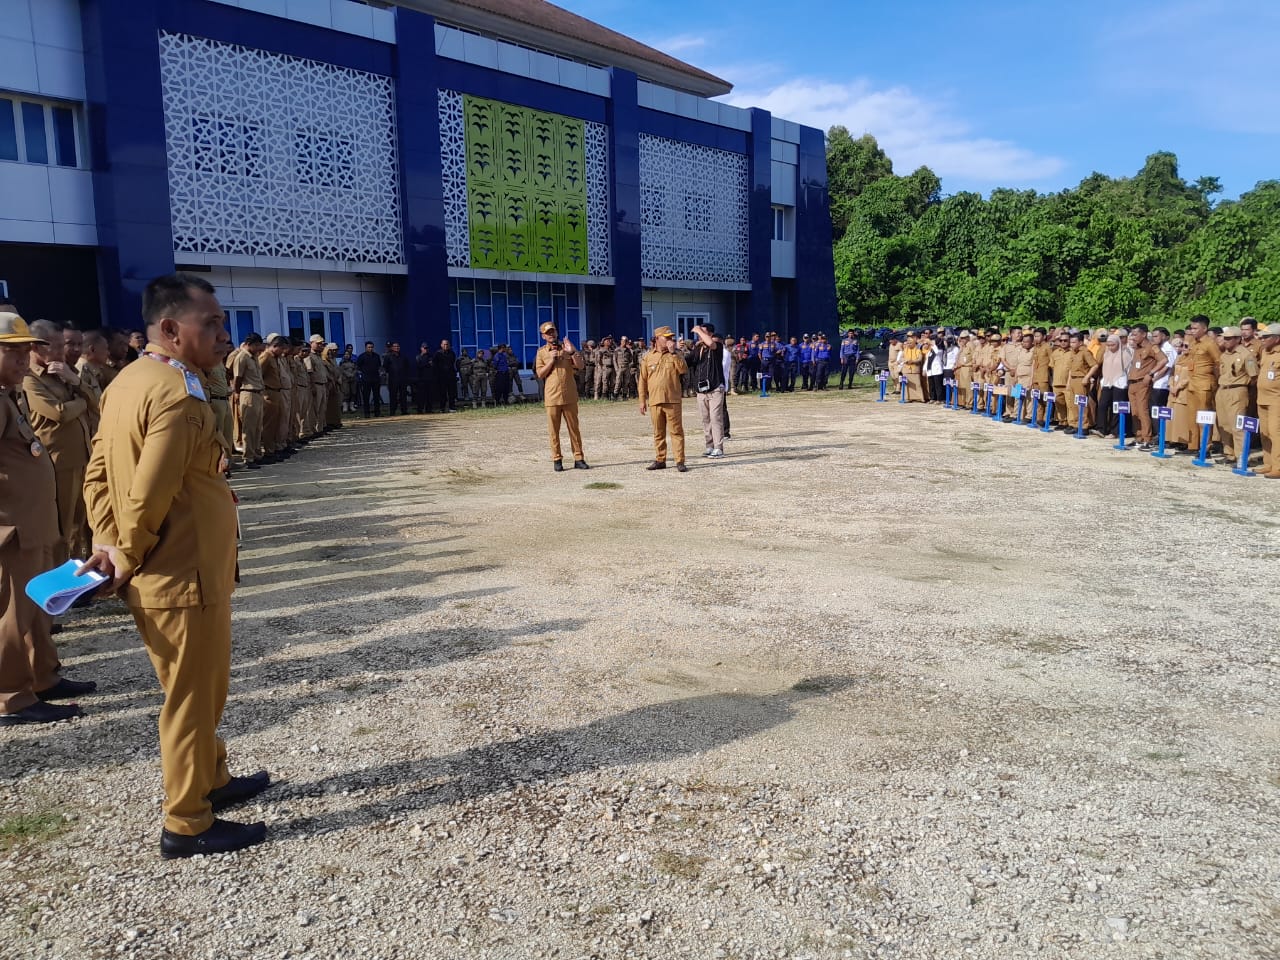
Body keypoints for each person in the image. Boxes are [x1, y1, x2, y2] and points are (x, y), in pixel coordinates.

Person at [80, 273, 270, 858]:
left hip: (169, 569)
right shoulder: (177, 394)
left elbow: (96, 473)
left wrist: (107, 540)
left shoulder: (128, 380)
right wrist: (126, 554)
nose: (222, 333)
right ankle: (187, 821)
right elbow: (151, 490)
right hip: (183, 571)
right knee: (193, 698)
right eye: (209, 323)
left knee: (194, 687)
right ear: (170, 328)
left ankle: (211, 777)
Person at [1, 312, 97, 726]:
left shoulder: (10, 396)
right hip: (12, 531)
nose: (22, 359)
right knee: (13, 614)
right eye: (11, 352)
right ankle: (10, 696)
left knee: (38, 610)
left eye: (25, 350)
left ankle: (43, 677)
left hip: (34, 525)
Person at [25, 320, 93, 566]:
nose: (60, 352)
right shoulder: (31, 379)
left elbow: (97, 402)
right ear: (35, 347)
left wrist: (75, 382)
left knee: (81, 522)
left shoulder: (63, 372)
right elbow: (59, 413)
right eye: (54, 346)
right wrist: (82, 403)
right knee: (62, 526)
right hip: (58, 462)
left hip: (82, 456)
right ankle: (61, 573)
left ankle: (79, 568)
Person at [533, 321, 588, 471]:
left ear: (557, 332)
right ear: (543, 336)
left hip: (569, 395)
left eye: (553, 331)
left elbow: (580, 366)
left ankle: (579, 458)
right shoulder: (541, 352)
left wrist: (572, 352)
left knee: (574, 429)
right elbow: (540, 374)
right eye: (548, 333)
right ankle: (557, 459)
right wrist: (551, 360)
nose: (551, 334)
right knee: (553, 430)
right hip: (552, 396)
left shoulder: (567, 348)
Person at [637, 325, 687, 471]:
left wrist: (673, 353)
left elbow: (683, 369)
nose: (670, 340)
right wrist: (642, 400)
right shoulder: (648, 357)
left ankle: (679, 461)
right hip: (655, 400)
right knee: (658, 432)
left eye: (671, 337)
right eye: (667, 338)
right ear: (657, 339)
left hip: (672, 400)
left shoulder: (676, 354)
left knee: (676, 431)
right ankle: (660, 459)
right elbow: (642, 380)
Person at [1216, 326, 1259, 466]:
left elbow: (1254, 376)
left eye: (1229, 338)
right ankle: (1229, 454)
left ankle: (1241, 456)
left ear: (1237, 339)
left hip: (1237, 390)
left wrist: (1243, 389)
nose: (1225, 341)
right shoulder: (1224, 355)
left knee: (1237, 425)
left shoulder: (1246, 355)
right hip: (1222, 389)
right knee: (1224, 424)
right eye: (1224, 338)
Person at [687, 323, 726, 458]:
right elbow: (687, 361)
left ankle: (718, 447)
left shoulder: (717, 346)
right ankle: (709, 446)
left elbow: (711, 343)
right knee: (705, 419)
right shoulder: (698, 348)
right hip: (701, 390)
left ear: (710, 334)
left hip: (715, 388)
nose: (699, 335)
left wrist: (698, 330)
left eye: (703, 332)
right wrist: (678, 350)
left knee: (715, 417)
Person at [230, 333, 265, 468]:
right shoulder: (242, 357)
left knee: (257, 427)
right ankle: (248, 457)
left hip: (258, 393)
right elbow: (237, 378)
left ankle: (256, 453)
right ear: (249, 344)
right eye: (256, 345)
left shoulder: (254, 357)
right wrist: (236, 393)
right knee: (249, 427)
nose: (259, 348)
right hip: (248, 393)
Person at [1257, 326, 1280, 478]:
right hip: (1262, 398)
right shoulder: (1265, 351)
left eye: (1266, 337)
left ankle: (1278, 467)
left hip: (1276, 399)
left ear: (1277, 339)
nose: (1262, 339)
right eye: (1262, 337)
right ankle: (1268, 463)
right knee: (1264, 432)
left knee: (1275, 432)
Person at [355, 341, 382, 417]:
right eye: (369, 347)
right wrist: (361, 376)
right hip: (366, 380)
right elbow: (358, 367)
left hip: (375, 379)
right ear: (366, 348)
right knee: (366, 397)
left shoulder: (376, 356)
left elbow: (379, 366)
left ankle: (377, 412)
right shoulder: (362, 356)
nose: (370, 348)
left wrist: (380, 374)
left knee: (376, 396)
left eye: (371, 347)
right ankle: (367, 413)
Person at [433, 339, 458, 412]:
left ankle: (452, 407)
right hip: (442, 377)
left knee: (452, 393)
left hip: (451, 376)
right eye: (444, 344)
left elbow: (453, 363)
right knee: (442, 393)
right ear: (441, 345)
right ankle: (442, 408)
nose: (446, 346)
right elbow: (435, 364)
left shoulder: (452, 353)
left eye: (447, 344)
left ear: (449, 345)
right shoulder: (438, 353)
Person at [414, 342, 434, 413]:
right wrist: (427, 364)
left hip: (429, 378)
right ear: (421, 348)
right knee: (421, 395)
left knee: (429, 395)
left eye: (427, 348)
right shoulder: (418, 357)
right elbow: (419, 366)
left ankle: (429, 409)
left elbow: (432, 365)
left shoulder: (430, 356)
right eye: (424, 348)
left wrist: (427, 364)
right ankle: (420, 409)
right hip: (421, 379)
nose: (426, 349)